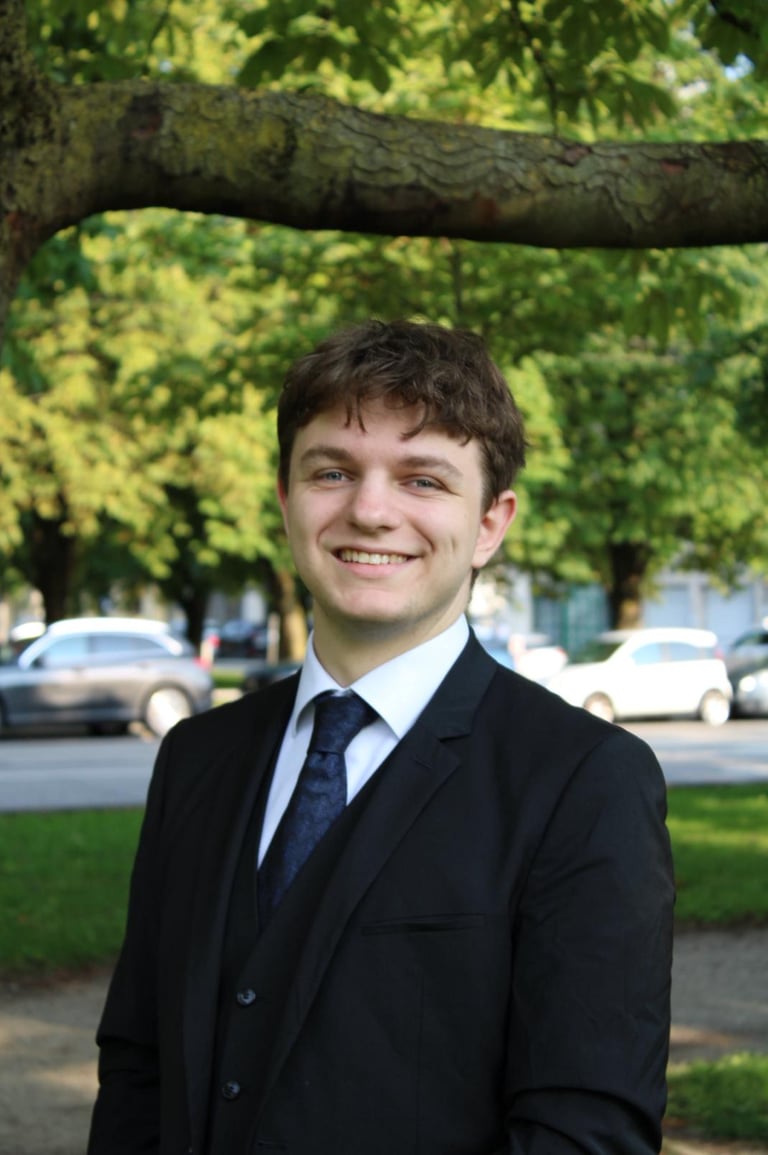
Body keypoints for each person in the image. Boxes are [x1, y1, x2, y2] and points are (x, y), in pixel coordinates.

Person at [88, 319, 674, 1155]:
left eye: (422, 479)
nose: (369, 510)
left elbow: (584, 1133)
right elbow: (138, 1068)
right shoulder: (196, 758)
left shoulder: (584, 781)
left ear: (490, 523)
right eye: (332, 471)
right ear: (286, 498)